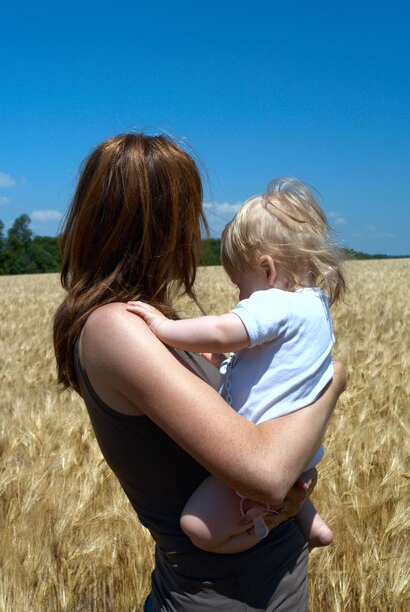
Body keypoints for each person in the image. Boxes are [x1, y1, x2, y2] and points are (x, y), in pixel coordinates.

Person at [53, 134, 346, 611]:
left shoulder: (157, 320)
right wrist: (334, 380)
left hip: (272, 585)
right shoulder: (116, 328)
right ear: (161, 225)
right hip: (221, 598)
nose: (198, 228)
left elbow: (264, 441)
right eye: (190, 212)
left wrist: (293, 490)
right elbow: (268, 474)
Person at [127, 178, 345, 554]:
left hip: (262, 450)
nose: (240, 298)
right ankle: (313, 525)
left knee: (197, 527)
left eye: (240, 287)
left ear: (267, 269)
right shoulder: (315, 305)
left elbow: (223, 331)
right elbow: (272, 363)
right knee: (292, 487)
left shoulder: (275, 301)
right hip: (298, 444)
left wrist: (164, 328)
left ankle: (260, 524)